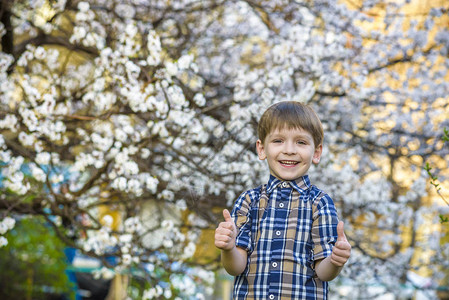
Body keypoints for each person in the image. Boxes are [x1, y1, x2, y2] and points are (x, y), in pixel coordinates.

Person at [215, 101, 351, 299]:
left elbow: (323, 272)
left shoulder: (319, 203)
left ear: (317, 152)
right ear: (261, 149)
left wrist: (336, 261)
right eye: (278, 140)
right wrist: (228, 249)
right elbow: (236, 267)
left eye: (301, 142)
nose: (289, 150)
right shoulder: (248, 201)